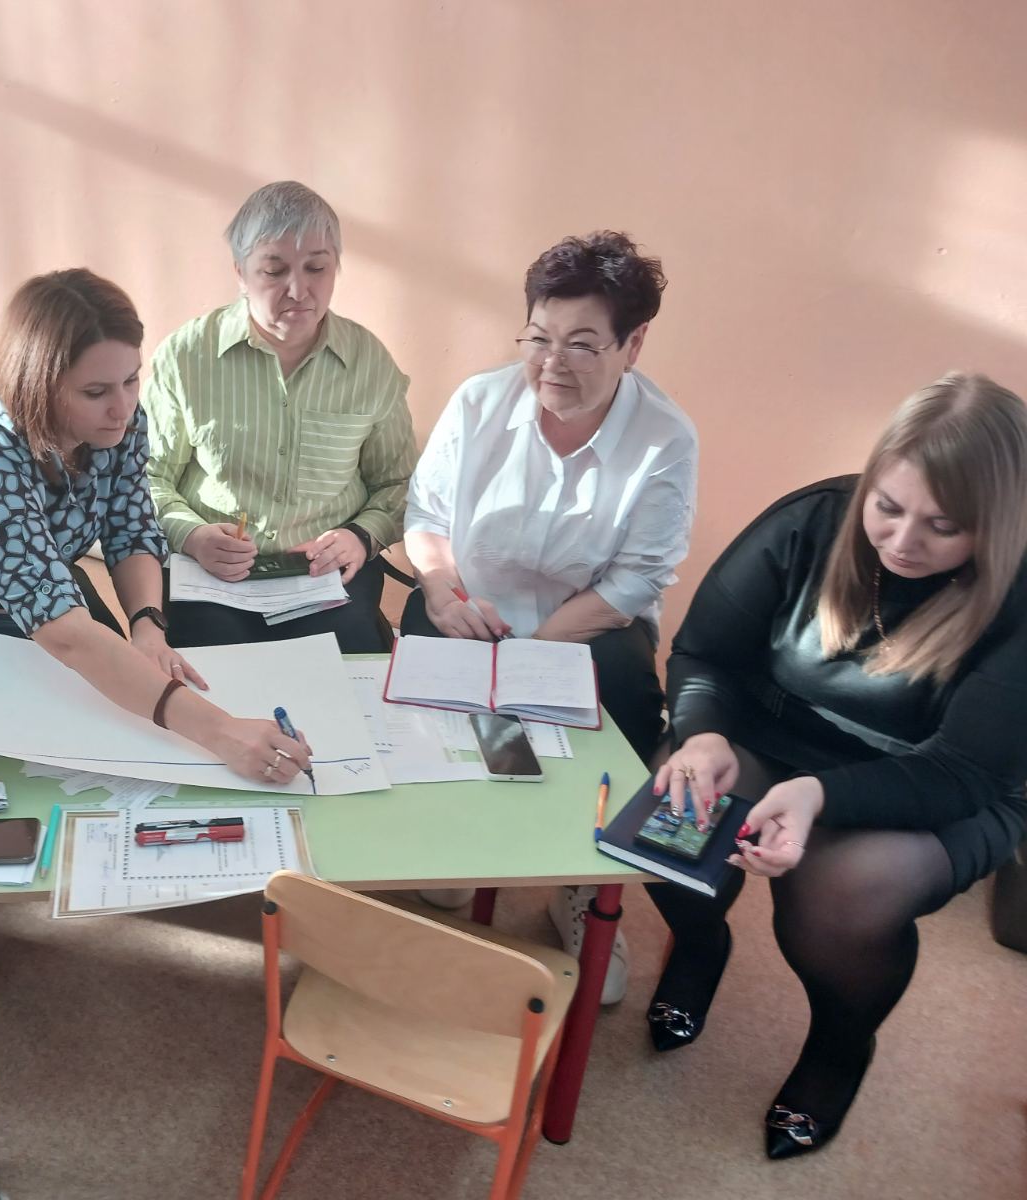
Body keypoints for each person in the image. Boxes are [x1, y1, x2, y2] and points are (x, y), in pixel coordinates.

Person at [649, 372, 1027, 1159]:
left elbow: (962, 773)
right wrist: (703, 734)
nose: (902, 542)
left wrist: (817, 796)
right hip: (775, 732)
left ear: (997, 526)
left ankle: (840, 1044)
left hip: (947, 784)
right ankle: (698, 943)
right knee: (672, 820)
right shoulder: (810, 520)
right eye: (887, 506)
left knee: (845, 893)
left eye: (943, 526)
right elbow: (704, 653)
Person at [0, 268, 312, 787]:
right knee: (17, 760)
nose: (123, 408)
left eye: (132, 380)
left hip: (32, 583)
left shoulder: (118, 420)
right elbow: (68, 637)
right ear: (39, 387)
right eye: (95, 391)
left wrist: (148, 627)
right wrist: (220, 731)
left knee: (115, 710)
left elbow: (130, 528)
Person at [402, 231, 697, 1000]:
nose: (552, 364)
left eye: (582, 344)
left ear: (633, 344)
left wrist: (536, 647)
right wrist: (440, 590)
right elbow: (426, 516)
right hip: (472, 605)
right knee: (434, 679)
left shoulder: (665, 439)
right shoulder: (479, 402)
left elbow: (637, 577)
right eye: (539, 338)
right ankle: (466, 838)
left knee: (623, 702)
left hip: (589, 622)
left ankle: (580, 885)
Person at [143, 180, 418, 653]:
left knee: (342, 663)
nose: (298, 290)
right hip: (213, 573)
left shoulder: (369, 363)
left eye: (317, 268)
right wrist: (192, 535)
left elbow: (399, 483)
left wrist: (359, 536)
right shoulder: (187, 357)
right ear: (240, 272)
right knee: (212, 662)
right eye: (274, 271)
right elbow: (146, 477)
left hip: (325, 576)